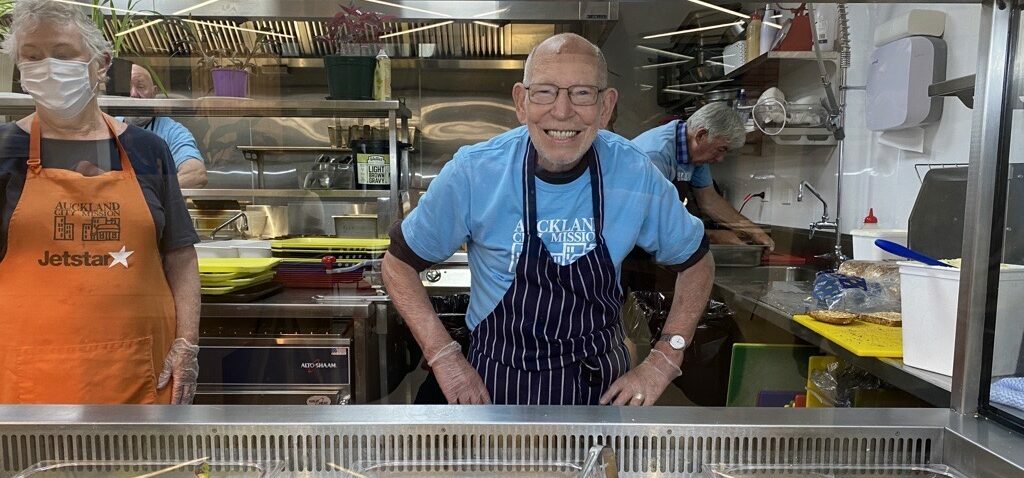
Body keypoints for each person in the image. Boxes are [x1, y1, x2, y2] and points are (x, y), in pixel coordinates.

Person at [382, 33, 714, 406]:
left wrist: (665, 359)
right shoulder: (474, 172)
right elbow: (397, 265)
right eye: (545, 92)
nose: (562, 111)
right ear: (521, 102)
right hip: (496, 388)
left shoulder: (635, 172)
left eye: (582, 93)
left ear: (606, 107)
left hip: (599, 392)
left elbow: (697, 263)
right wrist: (443, 355)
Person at [0, 0, 200, 405]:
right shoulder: (4, 150)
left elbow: (179, 256)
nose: (48, 68)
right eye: (32, 57)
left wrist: (187, 345)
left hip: (140, 372)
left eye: (63, 54)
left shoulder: (149, 150)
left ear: (101, 64)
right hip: (27, 379)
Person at [632, 103, 775, 250]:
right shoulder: (657, 154)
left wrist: (755, 232)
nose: (720, 159)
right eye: (721, 149)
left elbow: (709, 200)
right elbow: (653, 223)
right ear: (701, 135)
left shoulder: (695, 152)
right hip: (631, 245)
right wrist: (714, 236)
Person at [124, 63, 208, 188]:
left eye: (140, 86)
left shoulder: (173, 131)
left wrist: (151, 194)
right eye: (126, 88)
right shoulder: (108, 126)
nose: (133, 94)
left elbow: (196, 174)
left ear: (154, 92)